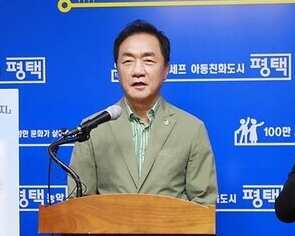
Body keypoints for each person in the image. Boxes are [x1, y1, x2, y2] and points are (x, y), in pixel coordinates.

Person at [68, 19, 218, 206]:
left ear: (166, 70)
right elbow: (78, 205)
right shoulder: (91, 129)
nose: (138, 71)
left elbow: (203, 203)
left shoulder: (191, 129)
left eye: (148, 61)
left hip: (171, 226)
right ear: (117, 70)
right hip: (109, 226)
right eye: (128, 61)